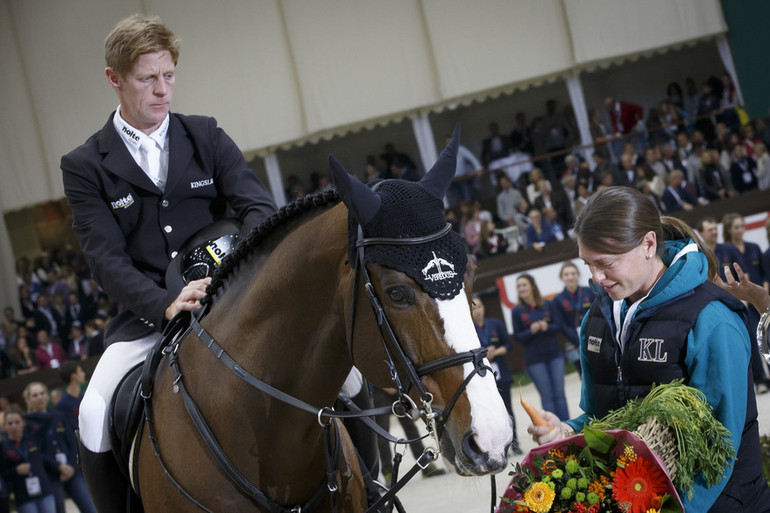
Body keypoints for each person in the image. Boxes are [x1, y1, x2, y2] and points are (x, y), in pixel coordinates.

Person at [59, 14, 277, 512]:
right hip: (146, 320)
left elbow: (258, 209)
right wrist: (164, 302)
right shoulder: (86, 165)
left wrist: (231, 270)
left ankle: (363, 488)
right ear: (114, 79)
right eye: (147, 79)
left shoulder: (205, 135)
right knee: (92, 412)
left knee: (345, 376)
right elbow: (104, 259)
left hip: (228, 301)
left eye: (169, 76)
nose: (163, 91)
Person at [528, 186, 770, 512]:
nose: (596, 277)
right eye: (588, 264)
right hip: (636, 501)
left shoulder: (712, 319)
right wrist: (567, 430)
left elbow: (720, 447)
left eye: (606, 263)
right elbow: (601, 416)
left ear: (648, 244)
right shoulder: (595, 319)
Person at [23, 383, 95, 513]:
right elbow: (35, 452)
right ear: (28, 400)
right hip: (49, 476)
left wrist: (72, 466)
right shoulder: (27, 424)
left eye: (42, 393)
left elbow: (72, 443)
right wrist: (58, 468)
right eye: (35, 395)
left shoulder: (58, 416)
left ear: (47, 396)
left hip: (71, 470)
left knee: (90, 507)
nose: (39, 397)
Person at [510, 274, 569, 421]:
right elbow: (518, 337)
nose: (521, 288)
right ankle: (553, 430)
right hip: (534, 359)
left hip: (555, 354)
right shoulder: (517, 311)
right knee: (547, 395)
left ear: (532, 286)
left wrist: (546, 326)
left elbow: (559, 326)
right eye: (519, 286)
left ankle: (568, 427)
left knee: (559, 393)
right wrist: (531, 330)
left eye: (524, 285)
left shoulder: (548, 304)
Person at [471, 297, 521, 455]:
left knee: (507, 410)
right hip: (481, 377)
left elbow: (508, 345)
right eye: (473, 308)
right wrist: (484, 354)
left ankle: (515, 443)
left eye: (479, 306)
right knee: (486, 414)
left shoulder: (495, 324)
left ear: (484, 308)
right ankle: (494, 447)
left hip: (501, 372)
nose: (477, 310)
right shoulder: (468, 329)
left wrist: (496, 351)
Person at [1, 407, 58, 513]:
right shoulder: (3, 446)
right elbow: (3, 474)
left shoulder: (33, 438)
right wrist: (16, 470)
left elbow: (49, 418)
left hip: (44, 491)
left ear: (24, 423)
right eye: (10, 423)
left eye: (17, 422)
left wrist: (25, 414)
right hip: (24, 499)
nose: (14, 426)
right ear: (4, 426)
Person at [552, 262, 595, 378]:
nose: (570, 277)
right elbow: (561, 324)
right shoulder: (558, 300)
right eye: (566, 274)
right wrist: (578, 340)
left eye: (573, 273)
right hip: (573, 342)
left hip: (594, 336)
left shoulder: (589, 291)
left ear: (578, 275)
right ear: (562, 277)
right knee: (584, 375)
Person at [696, 216, 744, 283]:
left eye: (715, 229)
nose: (715, 232)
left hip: (732, 291)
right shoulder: (697, 254)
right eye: (710, 230)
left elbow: (743, 273)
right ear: (701, 233)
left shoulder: (729, 249)